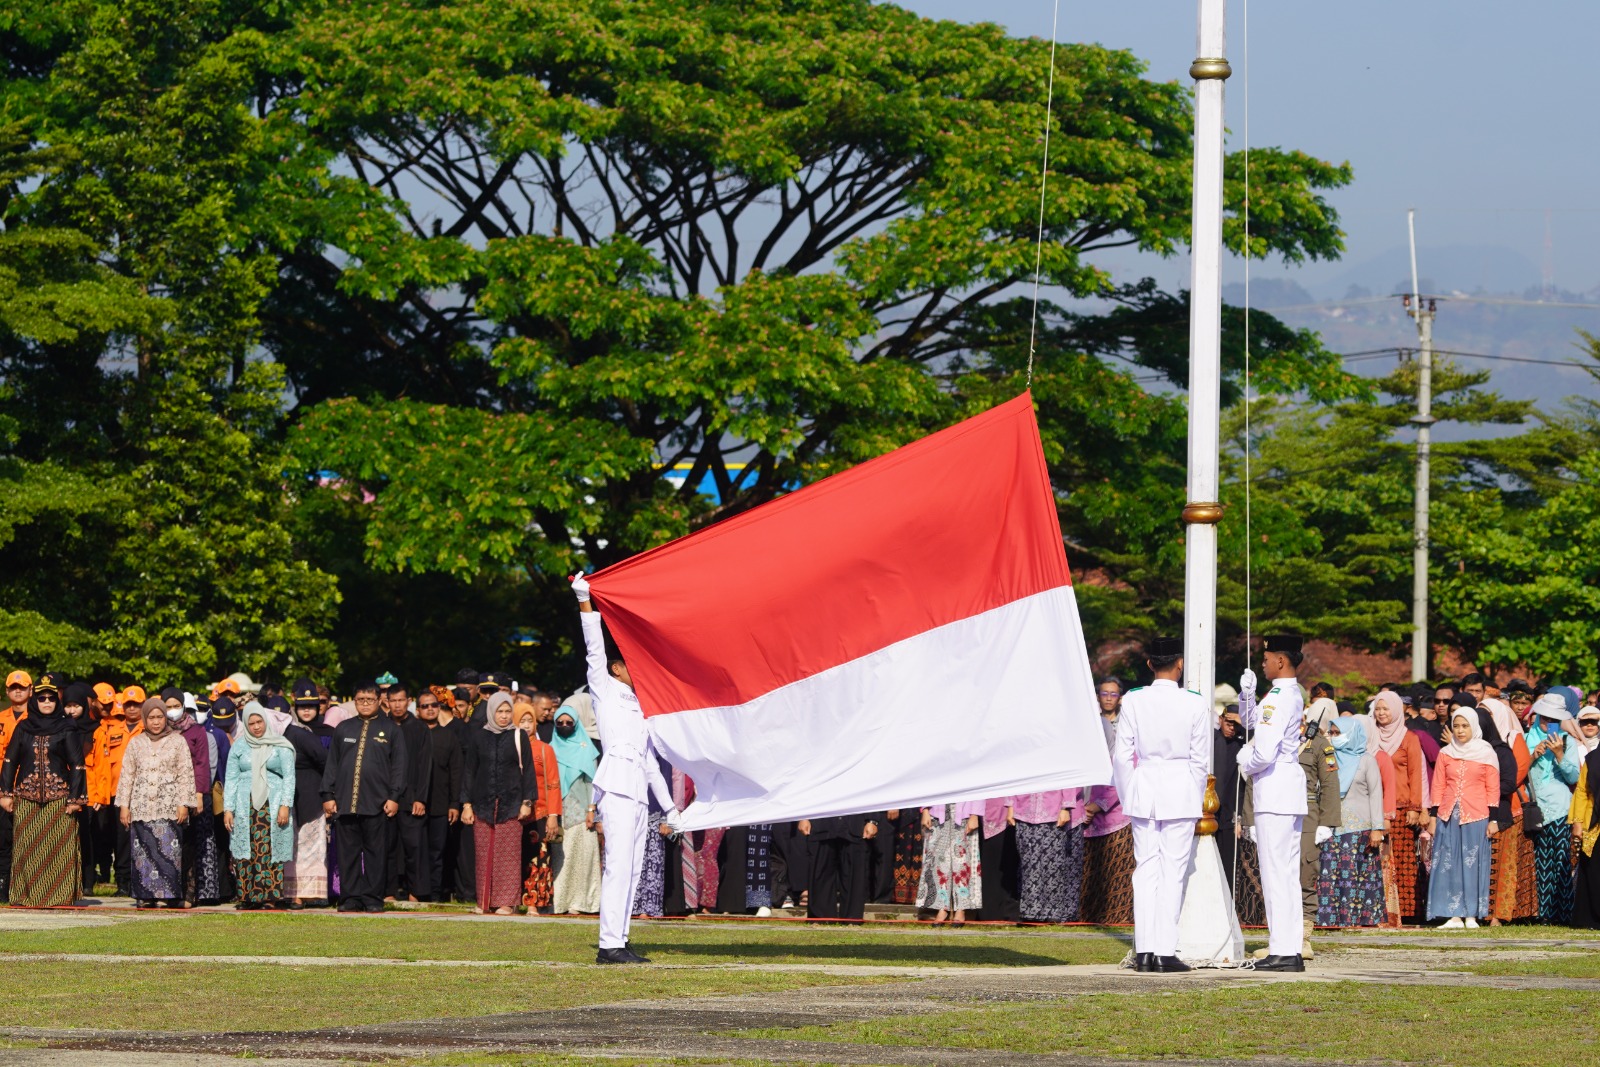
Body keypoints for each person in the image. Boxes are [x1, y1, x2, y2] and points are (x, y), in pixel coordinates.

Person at [570, 573, 680, 964]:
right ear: (618, 668)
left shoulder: (641, 705)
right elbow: (593, 650)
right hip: (615, 786)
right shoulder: (604, 686)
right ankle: (608, 944)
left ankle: (620, 937)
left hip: (637, 791)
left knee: (632, 870)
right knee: (618, 866)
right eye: (631, 664)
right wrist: (586, 602)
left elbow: (650, 763)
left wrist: (669, 808)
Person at [1110, 637, 1210, 972]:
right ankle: (1164, 952)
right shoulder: (1194, 703)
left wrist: (1129, 795)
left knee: (1146, 869)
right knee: (1173, 871)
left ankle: (1145, 951)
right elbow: (1200, 760)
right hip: (1180, 787)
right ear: (1179, 664)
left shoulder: (1134, 699)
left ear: (1150, 664)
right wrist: (1194, 797)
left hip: (1145, 787)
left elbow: (1122, 756)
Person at [1237, 634, 1309, 971]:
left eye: (1266, 658)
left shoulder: (1277, 698)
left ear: (1281, 660)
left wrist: (1245, 762)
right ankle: (1289, 947)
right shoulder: (1288, 694)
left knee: (1275, 873)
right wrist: (1246, 698)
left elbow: (1263, 751)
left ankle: (1282, 949)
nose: (1262, 662)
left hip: (1274, 789)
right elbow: (1253, 723)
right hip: (1288, 789)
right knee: (1286, 873)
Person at [320, 682, 408, 913]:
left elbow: (399, 766)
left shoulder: (391, 730)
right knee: (347, 854)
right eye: (361, 699)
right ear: (355, 701)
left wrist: (394, 796)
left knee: (376, 854)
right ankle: (350, 897)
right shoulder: (344, 728)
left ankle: (372, 898)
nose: (365, 703)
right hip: (346, 802)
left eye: (370, 699)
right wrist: (328, 794)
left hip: (377, 803)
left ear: (380, 701)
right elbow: (332, 764)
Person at [0, 674, 88, 906]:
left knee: (57, 851)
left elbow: (78, 765)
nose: (47, 702)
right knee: (28, 849)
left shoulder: (67, 727)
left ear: (56, 701)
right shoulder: (23, 728)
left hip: (59, 800)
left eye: (51, 698)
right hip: (27, 799)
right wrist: (5, 794)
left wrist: (75, 799)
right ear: (35, 701)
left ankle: (58, 897)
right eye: (42, 698)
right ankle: (26, 896)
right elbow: (10, 761)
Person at [116, 699, 199, 908]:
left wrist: (184, 803)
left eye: (159, 717)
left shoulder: (177, 741)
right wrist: (124, 806)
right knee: (142, 853)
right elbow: (127, 774)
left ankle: (168, 895)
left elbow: (186, 773)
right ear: (145, 719)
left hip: (168, 806)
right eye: (151, 718)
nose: (155, 722)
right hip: (141, 805)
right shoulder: (136, 742)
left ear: (165, 718)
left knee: (168, 853)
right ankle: (145, 895)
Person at [461, 691, 536, 915]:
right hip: (483, 803)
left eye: (507, 711)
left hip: (511, 803)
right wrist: (466, 804)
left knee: (509, 854)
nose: (503, 716)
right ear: (491, 712)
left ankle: (506, 903)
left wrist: (527, 801)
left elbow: (529, 770)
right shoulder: (478, 736)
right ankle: (484, 901)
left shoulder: (518, 735)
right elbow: (469, 771)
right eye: (499, 711)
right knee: (483, 853)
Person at [1426, 709, 1499, 928]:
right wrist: (1433, 816)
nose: (1460, 730)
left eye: (1465, 726)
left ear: (1474, 727)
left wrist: (1494, 820)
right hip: (1448, 815)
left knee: (1473, 864)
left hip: (1476, 815)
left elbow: (1493, 788)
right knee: (1449, 864)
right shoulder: (1446, 753)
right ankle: (1453, 915)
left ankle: (1471, 915)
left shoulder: (1487, 753)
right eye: (1456, 726)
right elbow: (1438, 785)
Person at [223, 703, 296, 909]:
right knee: (246, 851)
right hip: (244, 804)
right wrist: (228, 809)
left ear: (266, 720)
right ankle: (247, 897)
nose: (256, 727)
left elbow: (289, 777)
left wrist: (285, 805)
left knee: (269, 849)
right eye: (251, 723)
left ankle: (270, 897)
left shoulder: (280, 744)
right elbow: (231, 778)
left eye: (259, 721)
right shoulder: (239, 745)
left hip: (271, 803)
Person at [1316, 716, 1385, 927]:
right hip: (1330, 825)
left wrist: (1377, 828)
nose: (1334, 738)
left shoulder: (1366, 760)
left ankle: (1357, 918)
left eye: (1338, 733)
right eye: (1332, 733)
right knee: (1328, 871)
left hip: (1359, 827)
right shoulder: (1328, 758)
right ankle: (1329, 919)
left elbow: (1375, 794)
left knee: (1355, 874)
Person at [1523, 693, 1581, 924]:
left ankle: (1564, 914)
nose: (1548, 722)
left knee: (1561, 862)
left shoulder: (1568, 741)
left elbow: (1574, 776)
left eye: (1553, 718)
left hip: (1559, 808)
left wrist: (1559, 753)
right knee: (1538, 862)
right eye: (1544, 717)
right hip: (1534, 808)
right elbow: (1516, 772)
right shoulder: (1527, 738)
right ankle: (1542, 914)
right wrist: (1533, 754)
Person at [1370, 691, 1426, 925]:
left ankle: (1406, 911)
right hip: (1375, 806)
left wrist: (1415, 807)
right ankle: (1380, 910)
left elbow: (1416, 773)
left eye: (1386, 709)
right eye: (1378, 708)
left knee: (1402, 861)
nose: (1381, 713)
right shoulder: (1370, 735)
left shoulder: (1408, 738)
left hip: (1402, 807)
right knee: (1378, 860)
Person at [1479, 700, 1536, 926]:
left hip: (1508, 809)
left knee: (1506, 864)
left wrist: (1486, 788)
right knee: (1486, 864)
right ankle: (1484, 912)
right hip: (1480, 810)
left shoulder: (1512, 738)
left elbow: (1518, 772)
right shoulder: (1474, 742)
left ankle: (1500, 914)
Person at [284, 680, 335, 908]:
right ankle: (293, 892)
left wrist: (329, 795)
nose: (307, 710)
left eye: (311, 706)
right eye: (302, 706)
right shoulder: (287, 731)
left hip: (316, 792)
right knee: (293, 844)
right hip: (291, 793)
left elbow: (331, 765)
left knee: (314, 845)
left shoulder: (329, 733)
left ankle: (313, 892)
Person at [382, 680, 433, 903]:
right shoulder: (382, 727)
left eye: (401, 700)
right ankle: (388, 891)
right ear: (387, 702)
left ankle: (416, 892)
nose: (397, 705)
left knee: (415, 847)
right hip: (387, 798)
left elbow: (425, 765)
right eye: (393, 701)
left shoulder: (419, 728)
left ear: (409, 701)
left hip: (412, 797)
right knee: (388, 846)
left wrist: (421, 798)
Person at [549, 706, 602, 915]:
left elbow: (593, 782)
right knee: (563, 859)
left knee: (583, 859)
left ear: (576, 724)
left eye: (568, 723)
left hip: (582, 813)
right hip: (558, 814)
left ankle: (582, 903)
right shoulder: (550, 748)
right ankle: (561, 902)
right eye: (559, 723)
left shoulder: (586, 748)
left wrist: (592, 810)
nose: (564, 726)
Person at [87, 689, 140, 895]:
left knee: (136, 840)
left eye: (136, 703)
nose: (132, 707)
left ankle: (136, 882)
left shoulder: (149, 728)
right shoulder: (110, 729)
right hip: (113, 793)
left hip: (140, 793)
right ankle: (122, 882)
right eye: (128, 704)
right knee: (118, 840)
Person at [1011, 788, 1087, 923]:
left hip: (1055, 810)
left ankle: (1056, 913)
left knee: (1054, 866)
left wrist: (1066, 807)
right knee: (1029, 866)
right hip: (1024, 808)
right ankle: (1031, 912)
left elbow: (1069, 775)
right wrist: (1010, 805)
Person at [415, 686, 463, 903]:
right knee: (415, 850)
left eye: (434, 705)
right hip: (414, 804)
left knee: (437, 851)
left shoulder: (449, 736)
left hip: (441, 803)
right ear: (417, 710)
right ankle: (414, 891)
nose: (431, 709)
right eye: (425, 706)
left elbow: (456, 772)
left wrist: (454, 803)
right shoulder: (411, 734)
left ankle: (435, 893)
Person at [801, 811, 883, 922]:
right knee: (820, 872)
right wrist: (803, 816)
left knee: (854, 875)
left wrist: (872, 820)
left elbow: (872, 794)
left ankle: (852, 919)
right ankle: (820, 918)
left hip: (855, 822)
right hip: (821, 821)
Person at [60, 683, 99, 893]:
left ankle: (88, 882)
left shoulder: (95, 730)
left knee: (86, 837)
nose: (71, 710)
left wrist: (98, 797)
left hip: (89, 794)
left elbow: (100, 766)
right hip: (65, 792)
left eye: (76, 705)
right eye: (67, 705)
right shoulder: (60, 728)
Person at [916, 802, 980, 924]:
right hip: (937, 812)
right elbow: (926, 783)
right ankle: (942, 907)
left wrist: (975, 814)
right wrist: (924, 810)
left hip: (964, 813)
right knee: (939, 864)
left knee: (962, 862)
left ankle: (961, 908)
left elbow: (978, 787)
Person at [0, 669, 32, 902]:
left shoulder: (38, 719)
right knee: (3, 840)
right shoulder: (1, 719)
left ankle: (26, 887)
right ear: (7, 690)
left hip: (28, 786)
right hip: (3, 787)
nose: (18, 691)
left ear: (31, 690)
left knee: (27, 838)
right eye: (14, 687)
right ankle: (3, 886)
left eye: (22, 687)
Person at [1567, 708, 1600, 928]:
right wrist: (1578, 822)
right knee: (1594, 871)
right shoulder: (1594, 758)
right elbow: (1582, 790)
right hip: (1595, 823)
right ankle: (1592, 918)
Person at [1097, 677, 1124, 747]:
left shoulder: (1125, 723)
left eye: (1114, 695)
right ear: (1098, 697)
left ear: (1120, 699)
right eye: (1104, 694)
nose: (1109, 698)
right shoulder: (1093, 722)